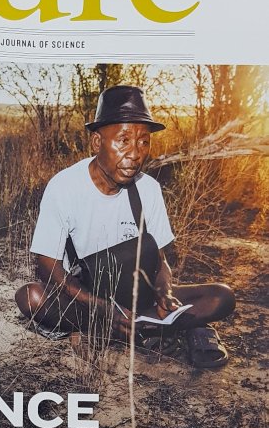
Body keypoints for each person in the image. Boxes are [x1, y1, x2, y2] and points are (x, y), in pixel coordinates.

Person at [16, 85, 235, 368]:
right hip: (89, 298)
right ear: (97, 143)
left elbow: (161, 261)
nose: (135, 153)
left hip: (138, 296)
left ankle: (127, 329)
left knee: (222, 296)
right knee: (31, 297)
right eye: (123, 140)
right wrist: (101, 308)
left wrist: (163, 291)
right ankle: (144, 328)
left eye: (144, 142)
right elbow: (48, 267)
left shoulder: (149, 189)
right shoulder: (64, 187)